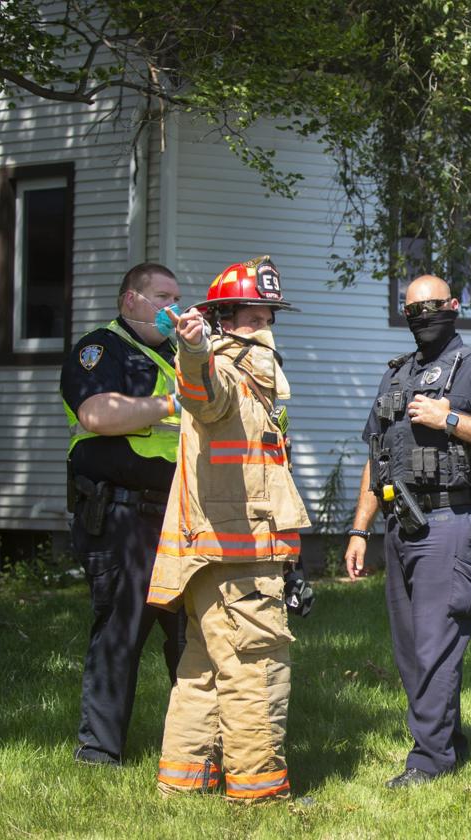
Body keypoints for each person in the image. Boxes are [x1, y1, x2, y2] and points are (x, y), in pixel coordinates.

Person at [344, 274, 471, 788]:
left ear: (453, 306)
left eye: (433, 306)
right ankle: (447, 741)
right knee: (412, 649)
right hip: (400, 523)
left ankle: (429, 762)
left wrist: (451, 420)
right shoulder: (397, 375)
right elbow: (375, 455)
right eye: (412, 309)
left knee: (435, 644)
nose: (423, 315)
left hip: (452, 523)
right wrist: (359, 529)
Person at [147, 256, 311, 803]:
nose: (265, 323)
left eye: (270, 314)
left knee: (203, 670)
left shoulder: (254, 382)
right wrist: (191, 349)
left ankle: (183, 783)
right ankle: (259, 794)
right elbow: (200, 388)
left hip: (217, 556)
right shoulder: (227, 372)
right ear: (223, 318)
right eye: (254, 314)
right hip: (235, 557)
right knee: (255, 670)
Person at [59, 261, 187, 767]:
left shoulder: (181, 352)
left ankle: (198, 746)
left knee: (188, 632)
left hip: (178, 513)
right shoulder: (100, 350)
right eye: (161, 297)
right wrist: (169, 404)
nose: (171, 308)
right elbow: (96, 414)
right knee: (122, 628)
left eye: (177, 297)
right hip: (121, 514)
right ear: (129, 300)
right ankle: (99, 751)